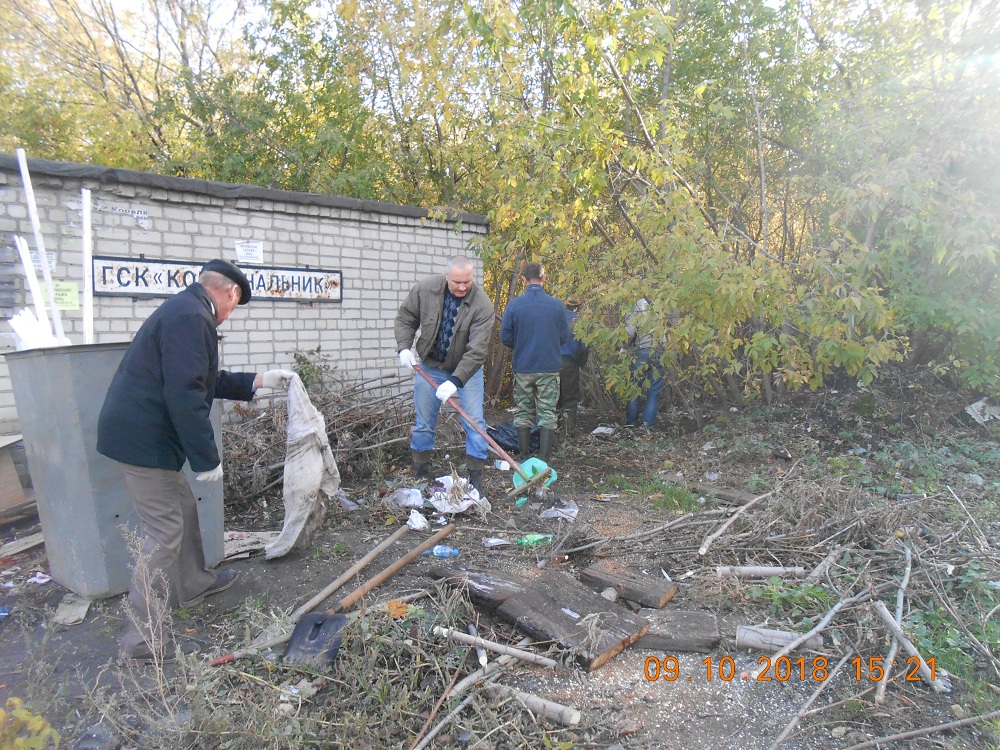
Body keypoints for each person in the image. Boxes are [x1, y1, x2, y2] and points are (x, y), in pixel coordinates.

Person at [97, 259, 295, 662]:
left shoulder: (187, 310)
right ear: (231, 293)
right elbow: (185, 393)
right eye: (235, 306)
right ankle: (141, 642)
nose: (230, 315)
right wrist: (206, 458)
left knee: (182, 508)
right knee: (164, 532)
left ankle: (193, 584)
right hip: (143, 440)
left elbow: (204, 379)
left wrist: (258, 380)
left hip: (145, 434)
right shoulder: (192, 318)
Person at [394, 256, 495, 492]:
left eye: (467, 282)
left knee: (475, 422)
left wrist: (456, 380)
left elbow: (477, 351)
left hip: (467, 372)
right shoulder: (425, 290)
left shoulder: (482, 304)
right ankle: (420, 472)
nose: (462, 287)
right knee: (424, 423)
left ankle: (475, 476)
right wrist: (404, 347)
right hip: (430, 366)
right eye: (457, 282)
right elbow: (406, 318)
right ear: (446, 277)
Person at [499, 262, 570, 462]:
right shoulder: (556, 305)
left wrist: (522, 343)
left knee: (523, 412)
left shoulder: (514, 305)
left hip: (523, 367)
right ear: (544, 278)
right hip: (549, 366)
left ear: (523, 280)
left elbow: (505, 337)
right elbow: (564, 336)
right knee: (547, 413)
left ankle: (524, 458)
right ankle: (544, 461)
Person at [624, 297, 666, 429]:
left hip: (642, 350)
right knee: (654, 391)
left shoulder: (637, 305)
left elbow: (630, 332)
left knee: (635, 388)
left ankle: (631, 423)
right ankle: (647, 426)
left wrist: (623, 346)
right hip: (660, 351)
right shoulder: (665, 301)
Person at [557, 301, 589, 441]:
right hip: (570, 363)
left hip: (551, 361)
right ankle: (567, 432)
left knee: (552, 398)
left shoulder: (556, 319)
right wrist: (581, 363)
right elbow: (583, 346)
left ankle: (551, 431)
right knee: (569, 399)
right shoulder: (579, 321)